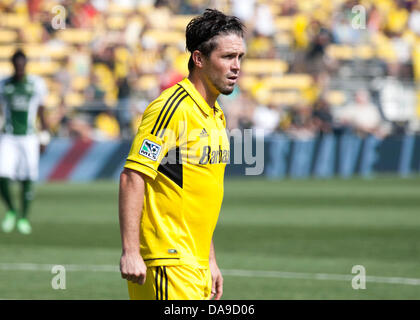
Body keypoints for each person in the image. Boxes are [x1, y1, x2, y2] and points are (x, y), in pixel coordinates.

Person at [118, 9, 245, 300]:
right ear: (199, 59)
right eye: (227, 57)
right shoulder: (172, 109)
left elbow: (197, 195)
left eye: (239, 57)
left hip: (195, 264)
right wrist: (130, 251)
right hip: (167, 261)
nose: (236, 66)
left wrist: (209, 259)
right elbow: (133, 176)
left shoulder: (216, 116)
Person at [0, 50, 49, 234]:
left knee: (28, 176)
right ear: (13, 65)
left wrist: (45, 135)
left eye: (22, 65)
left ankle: (23, 217)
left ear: (26, 64)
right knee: (2, 174)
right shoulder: (4, 84)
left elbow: (41, 110)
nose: (19, 69)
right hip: (8, 136)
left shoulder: (36, 84)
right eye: (16, 65)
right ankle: (11, 209)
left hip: (29, 136)